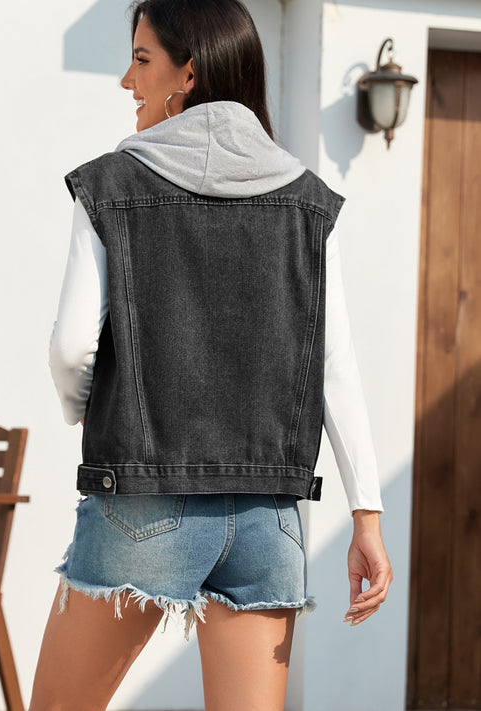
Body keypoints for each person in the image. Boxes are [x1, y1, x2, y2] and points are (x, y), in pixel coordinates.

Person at [30, 1, 393, 709]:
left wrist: (84, 407)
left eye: (141, 60)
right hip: (268, 517)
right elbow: (334, 366)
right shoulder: (309, 203)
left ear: (188, 73)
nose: (127, 81)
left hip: (141, 504)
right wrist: (366, 517)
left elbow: (71, 348)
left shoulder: (110, 185)